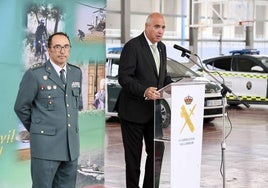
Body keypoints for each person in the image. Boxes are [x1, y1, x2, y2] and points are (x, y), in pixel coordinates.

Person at [14, 32, 83, 188]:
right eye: (57, 47)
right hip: (46, 148)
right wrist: (38, 130)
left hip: (70, 147)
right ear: (49, 49)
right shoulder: (35, 74)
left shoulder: (76, 73)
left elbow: (75, 105)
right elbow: (21, 107)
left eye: (66, 47)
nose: (62, 51)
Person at [116, 12, 173, 188]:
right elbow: (124, 78)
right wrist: (144, 91)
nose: (160, 31)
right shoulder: (133, 46)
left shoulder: (162, 48)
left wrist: (173, 86)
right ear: (147, 26)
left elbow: (161, 76)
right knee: (133, 158)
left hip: (153, 112)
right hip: (133, 111)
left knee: (157, 151)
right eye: (156, 26)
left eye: (163, 27)